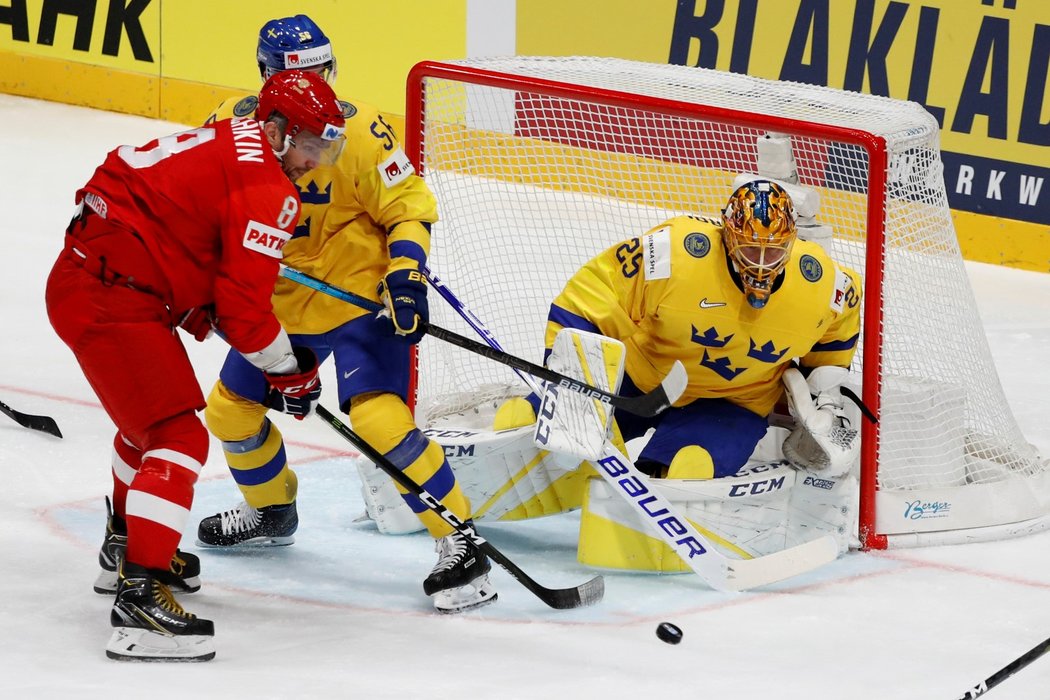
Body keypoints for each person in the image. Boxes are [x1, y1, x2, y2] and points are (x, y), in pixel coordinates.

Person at [194, 15, 496, 614]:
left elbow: (407, 207)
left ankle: (460, 542)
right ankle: (273, 510)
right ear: (268, 79)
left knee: (382, 424)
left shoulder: (361, 134)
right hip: (276, 307)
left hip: (359, 304)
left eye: (322, 72)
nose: (319, 88)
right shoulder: (228, 129)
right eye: (301, 76)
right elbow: (202, 213)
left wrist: (405, 274)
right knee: (229, 413)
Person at [47, 69, 346, 661]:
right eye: (312, 143)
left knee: (146, 427)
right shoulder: (270, 190)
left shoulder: (234, 136)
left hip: (96, 277)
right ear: (280, 131)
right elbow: (243, 312)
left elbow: (174, 219)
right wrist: (290, 371)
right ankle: (140, 602)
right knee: (177, 435)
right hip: (111, 295)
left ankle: (125, 545)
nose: (316, 159)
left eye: (326, 146)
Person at [521, 179, 863, 480]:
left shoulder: (820, 281)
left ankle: (655, 496)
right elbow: (597, 290)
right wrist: (569, 371)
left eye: (773, 250)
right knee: (529, 422)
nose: (761, 262)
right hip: (640, 379)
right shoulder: (677, 253)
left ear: (791, 243)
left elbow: (843, 317)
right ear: (727, 235)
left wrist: (822, 389)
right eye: (748, 247)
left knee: (689, 466)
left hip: (733, 403)